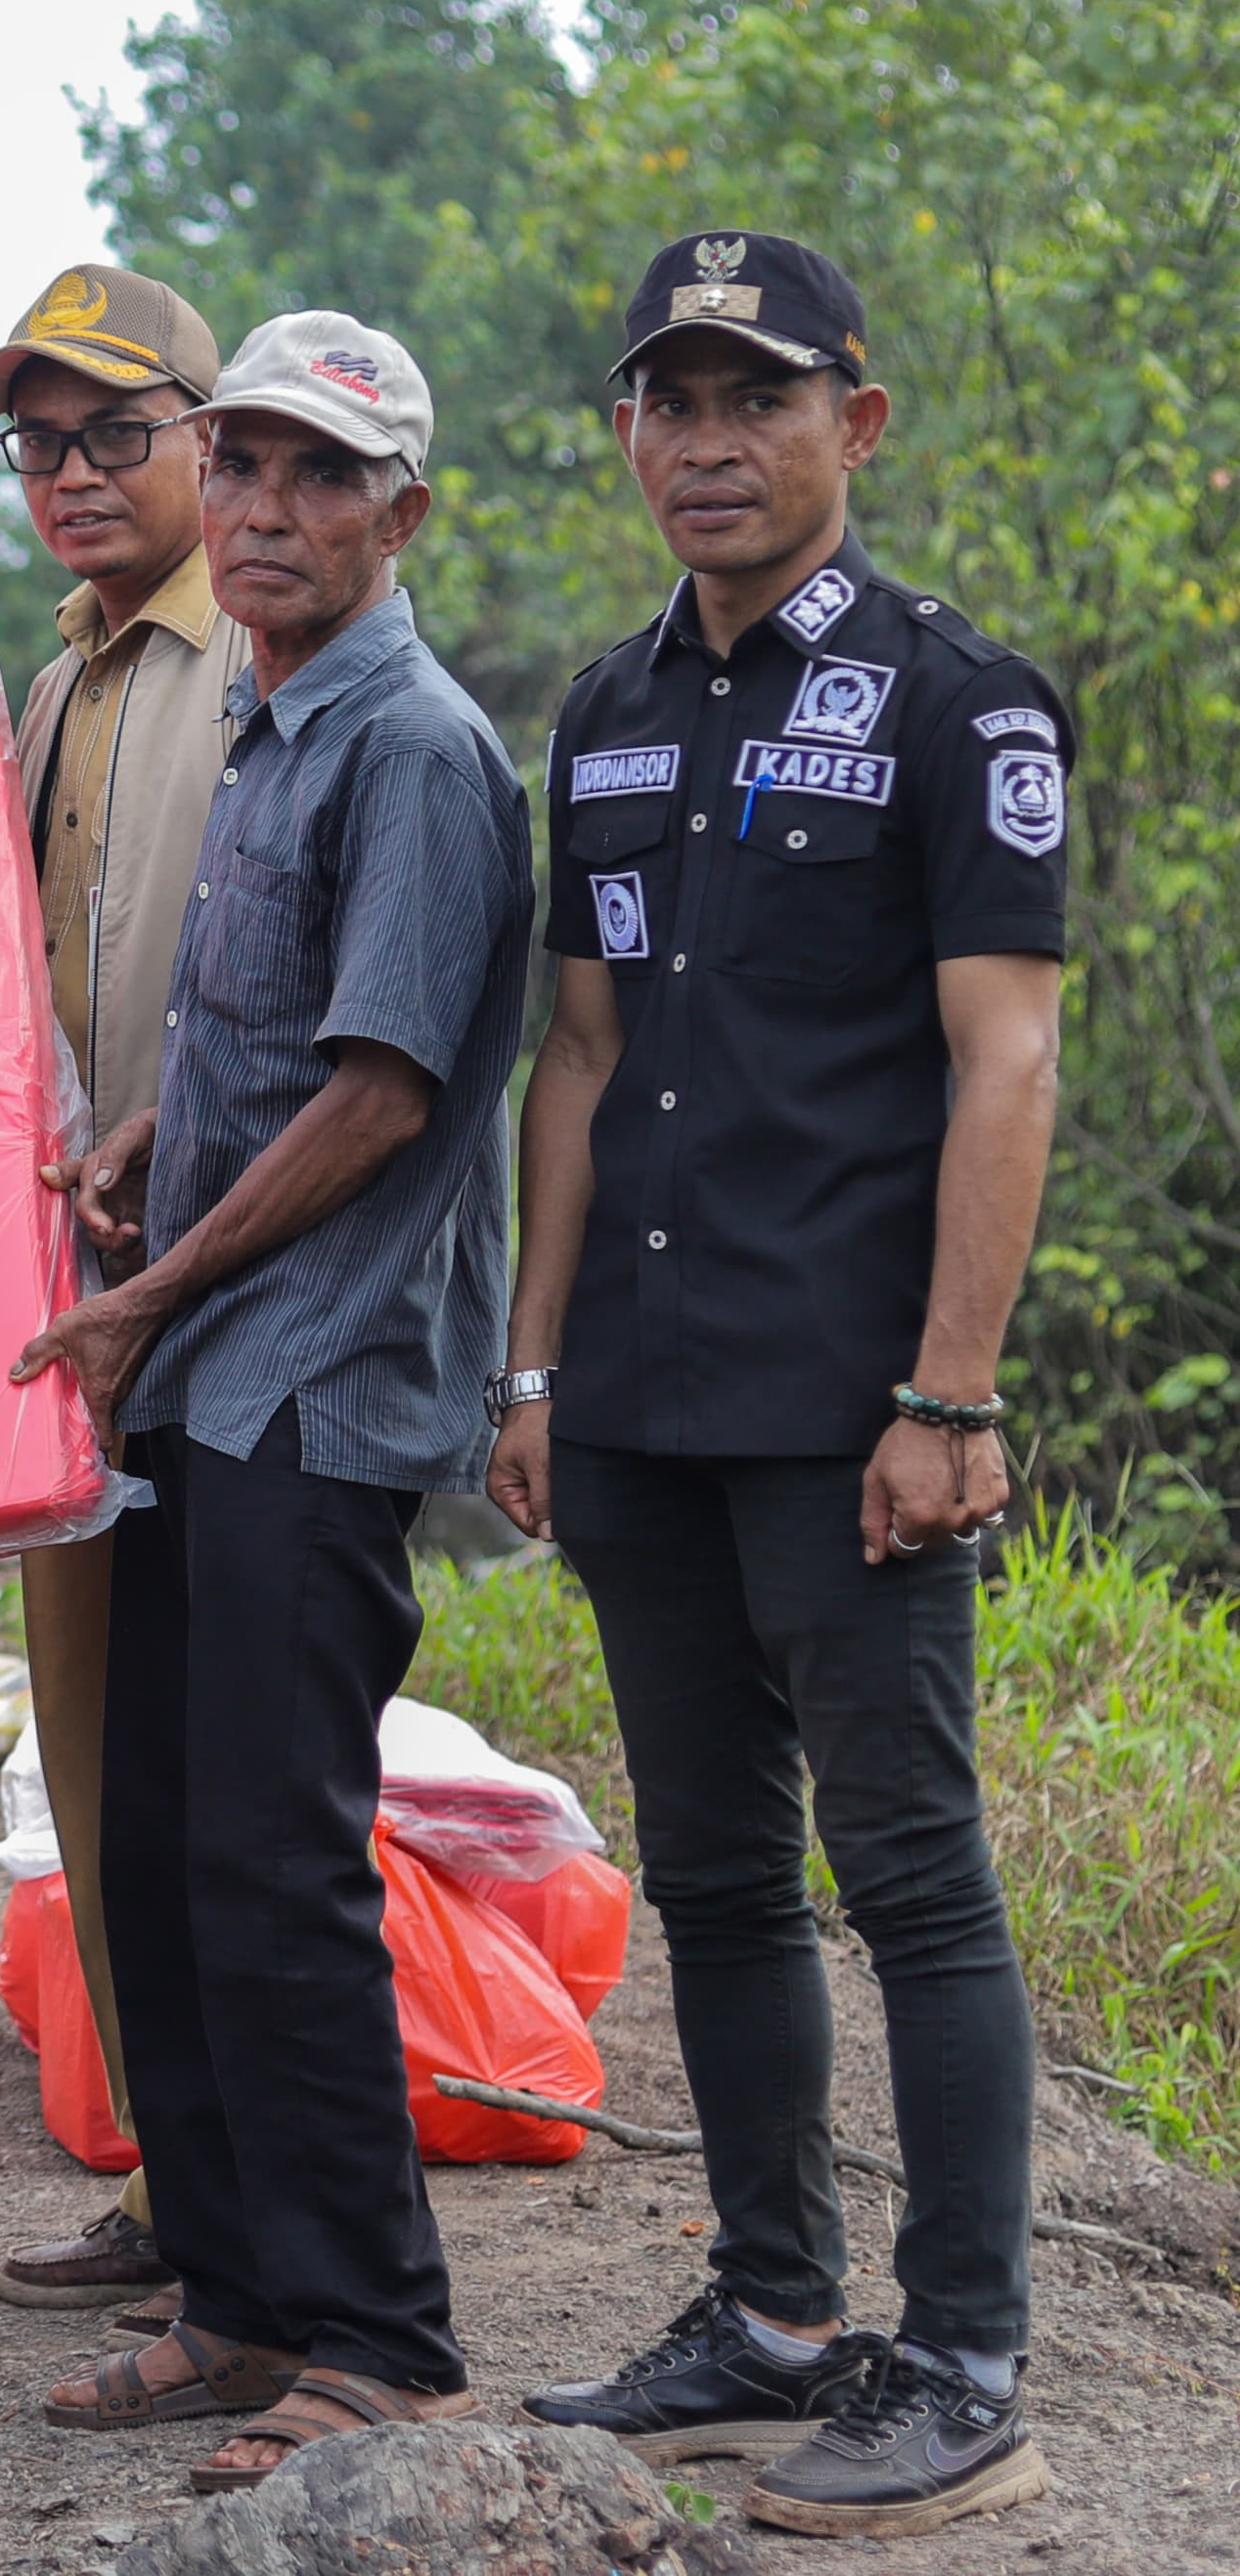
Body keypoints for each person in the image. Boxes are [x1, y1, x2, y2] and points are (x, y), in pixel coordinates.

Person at [493, 233, 1061, 2541]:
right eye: (669, 401)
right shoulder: (607, 709)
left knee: (908, 1874)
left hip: (850, 1409)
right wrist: (531, 1361)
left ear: (858, 421)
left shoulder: (957, 700)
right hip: (632, 1390)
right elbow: (583, 1053)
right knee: (716, 1874)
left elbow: (1000, 1055)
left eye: (757, 399)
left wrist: (949, 1386)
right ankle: (768, 2312)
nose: (707, 443)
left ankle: (964, 2352)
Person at [11, 314, 531, 2493]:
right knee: (174, 1843)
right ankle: (231, 2295)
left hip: (314, 1386)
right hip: (215, 1371)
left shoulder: (407, 739)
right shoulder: (266, 722)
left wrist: (163, 1289)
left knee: (281, 1864)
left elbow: (383, 1091)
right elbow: (252, 1053)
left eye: (316, 479)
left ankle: (381, 2334)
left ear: (400, 513)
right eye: (236, 470)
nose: (259, 513)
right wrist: (147, 1151)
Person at [0, 262, 250, 2331]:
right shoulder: (53, 677)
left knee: (228, 1760)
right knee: (92, 1746)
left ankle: (262, 2211)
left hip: (235, 1291)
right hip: (69, 1299)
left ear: (210, 445)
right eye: (34, 444)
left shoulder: (269, 652)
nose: (66, 475)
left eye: (110, 434)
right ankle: (168, 2169)